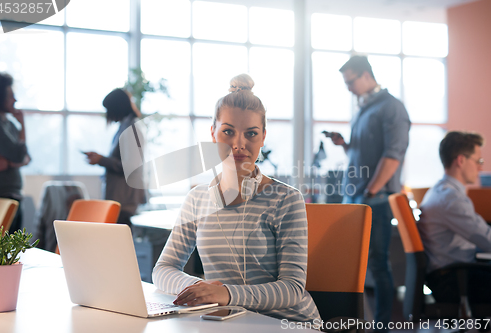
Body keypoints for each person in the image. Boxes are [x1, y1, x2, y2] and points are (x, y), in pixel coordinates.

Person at [153, 74, 320, 323]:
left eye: (251, 134)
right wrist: (201, 289)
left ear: (263, 137)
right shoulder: (197, 198)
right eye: (228, 131)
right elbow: (163, 270)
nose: (238, 144)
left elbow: (292, 289)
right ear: (213, 134)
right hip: (230, 321)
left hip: (287, 323)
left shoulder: (286, 199)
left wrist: (225, 293)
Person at [327, 55, 410, 329]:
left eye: (350, 81)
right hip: (357, 196)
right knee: (354, 263)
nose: (349, 87)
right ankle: (357, 321)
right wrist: (344, 145)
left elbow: (393, 156)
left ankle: (383, 325)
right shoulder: (363, 109)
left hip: (375, 198)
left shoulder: (391, 108)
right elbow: (361, 153)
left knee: (377, 264)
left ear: (365, 75)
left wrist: (371, 191)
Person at [418, 131, 491, 303]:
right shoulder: (451, 199)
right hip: (454, 279)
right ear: (461, 160)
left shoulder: (440, 191)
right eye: (478, 161)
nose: (481, 168)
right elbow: (486, 240)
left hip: (450, 273)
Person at [84, 88, 146, 227]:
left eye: (108, 109)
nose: (107, 114)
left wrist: (102, 160)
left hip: (124, 199)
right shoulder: (125, 126)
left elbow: (131, 165)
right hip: (121, 197)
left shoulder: (131, 128)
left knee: (119, 240)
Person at [0, 73, 30, 233]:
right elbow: (20, 155)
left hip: (13, 194)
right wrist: (23, 125)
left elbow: (27, 157)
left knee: (12, 250)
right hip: (0, 195)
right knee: (3, 251)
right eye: (11, 96)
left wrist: (8, 163)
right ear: (0, 98)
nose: (15, 100)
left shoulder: (9, 124)